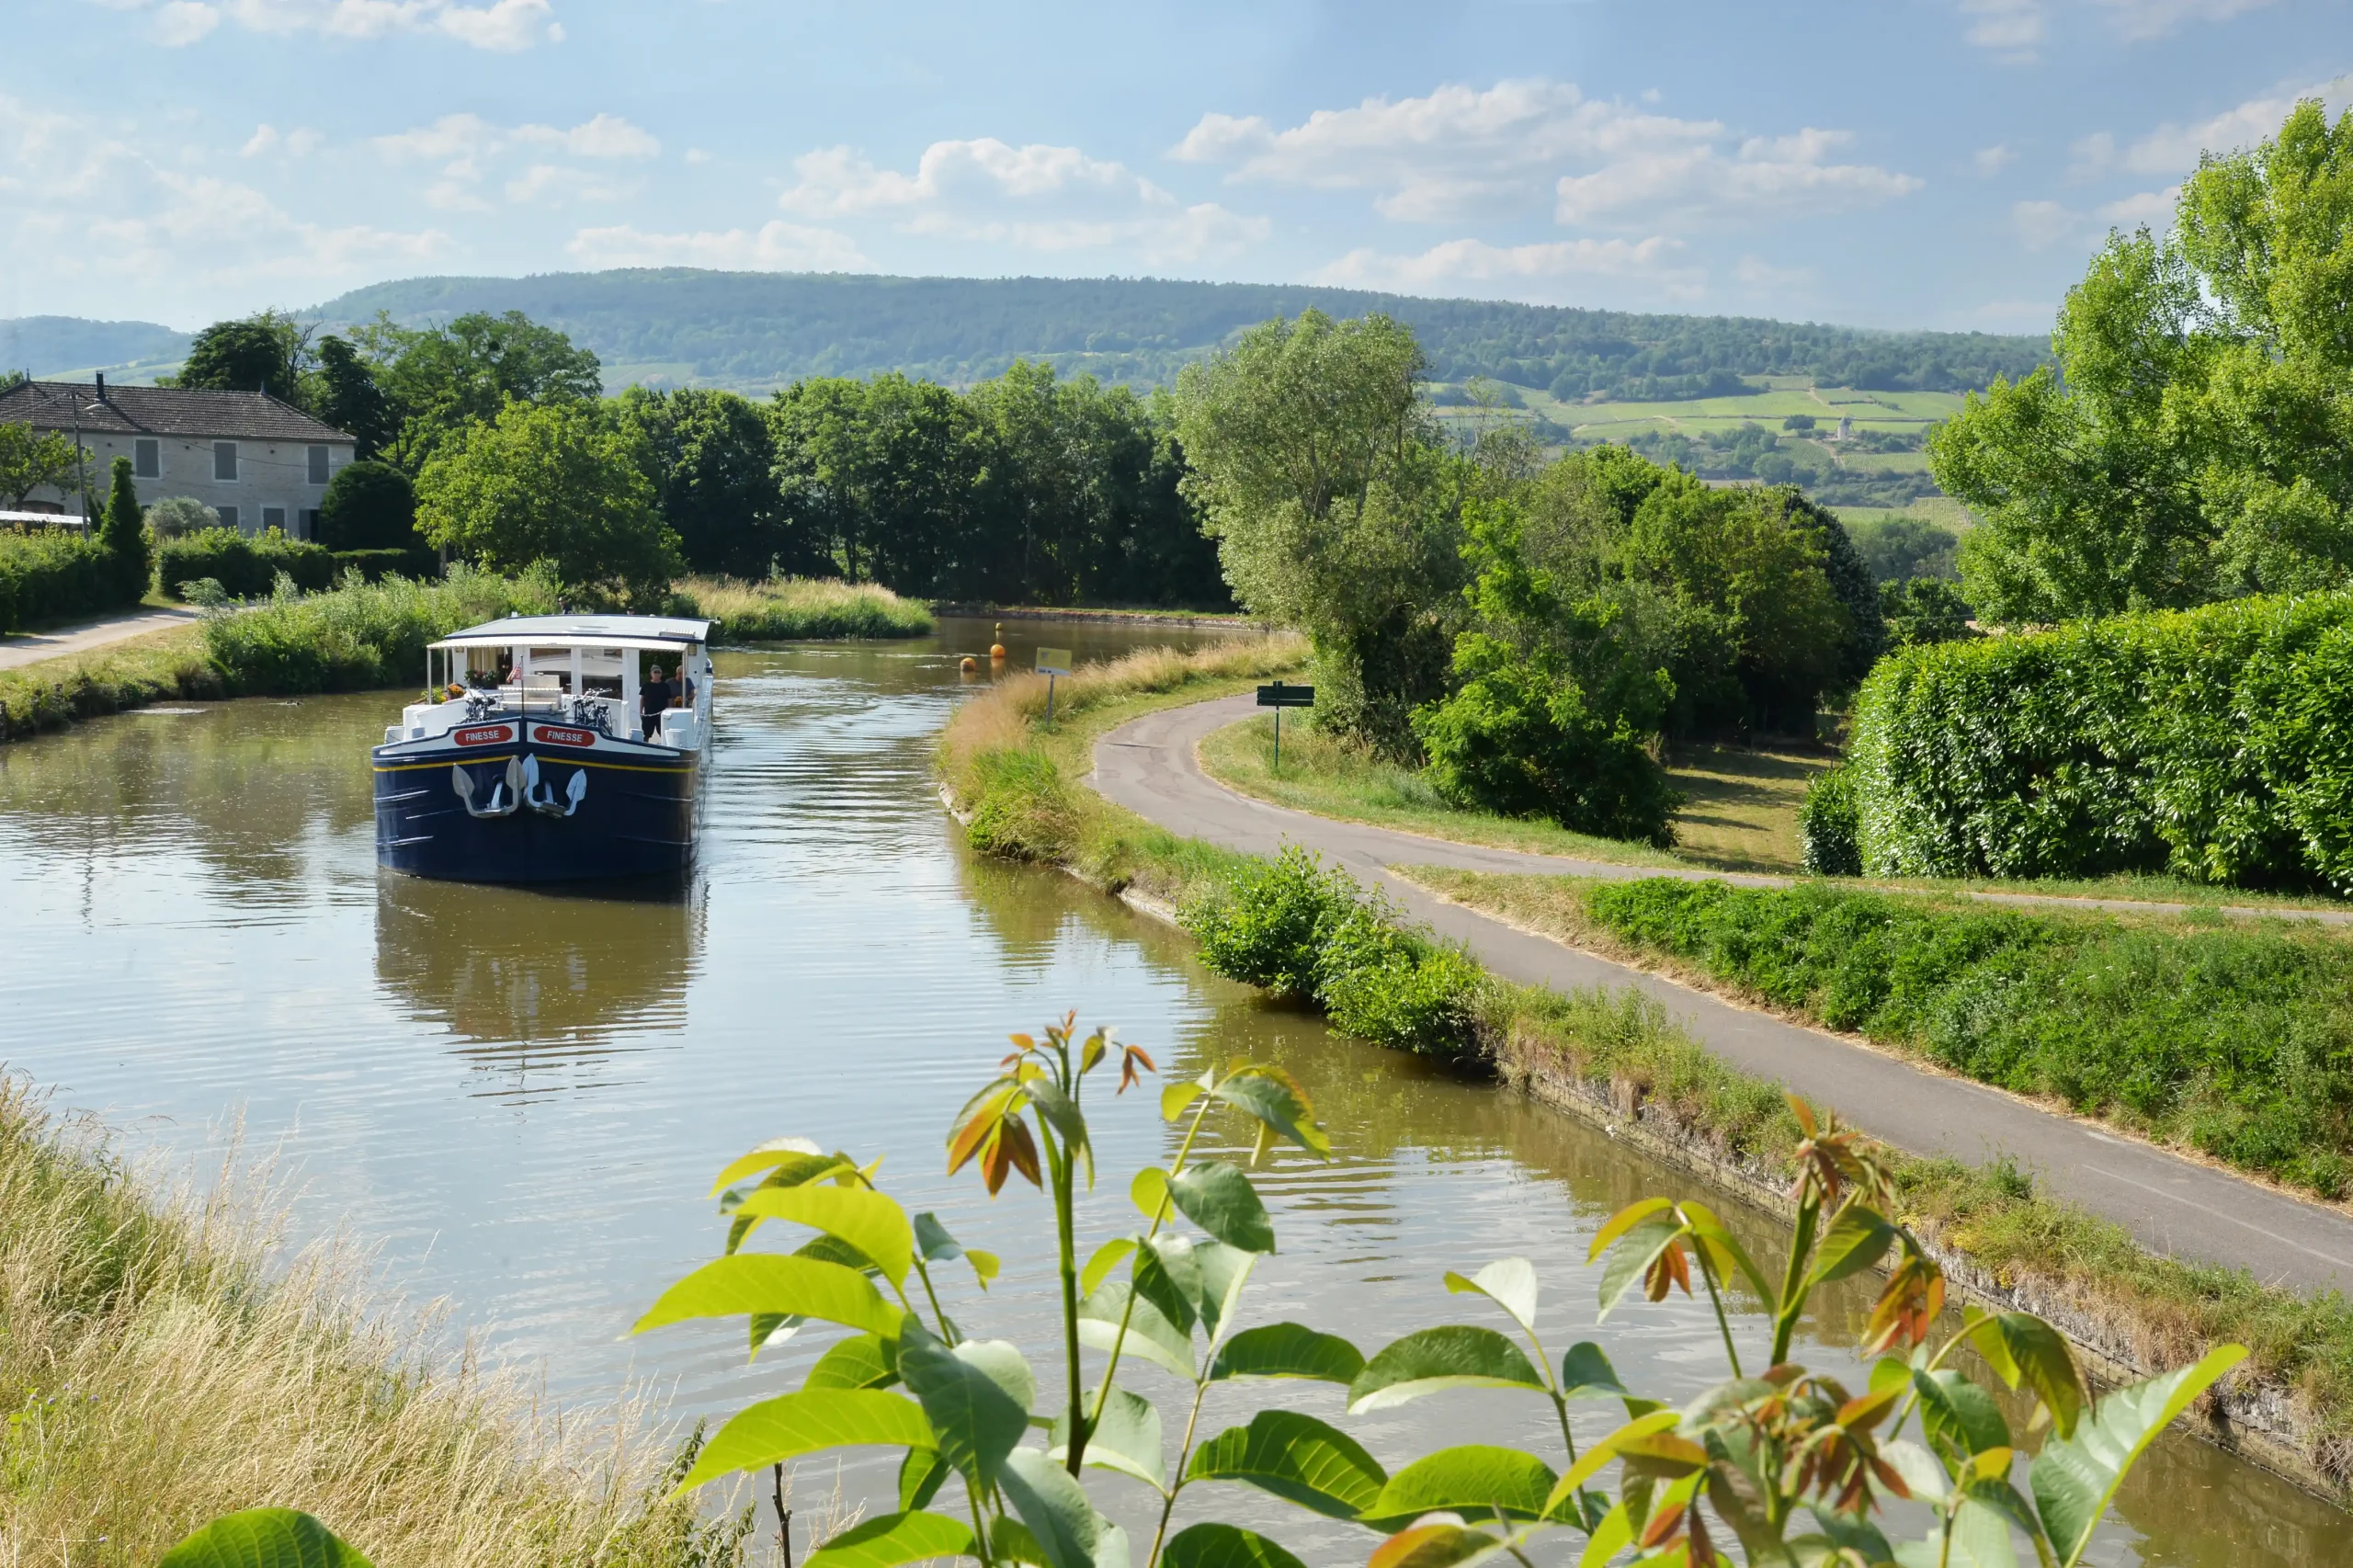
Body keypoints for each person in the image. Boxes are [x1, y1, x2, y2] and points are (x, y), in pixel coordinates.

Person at [640, 664, 675, 733]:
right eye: (655, 672)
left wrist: (670, 709)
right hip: (648, 713)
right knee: (646, 733)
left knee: (663, 733)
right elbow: (642, 699)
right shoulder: (646, 685)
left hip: (661, 713)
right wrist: (640, 711)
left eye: (659, 672)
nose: (657, 674)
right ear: (651, 673)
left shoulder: (665, 686)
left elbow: (669, 698)